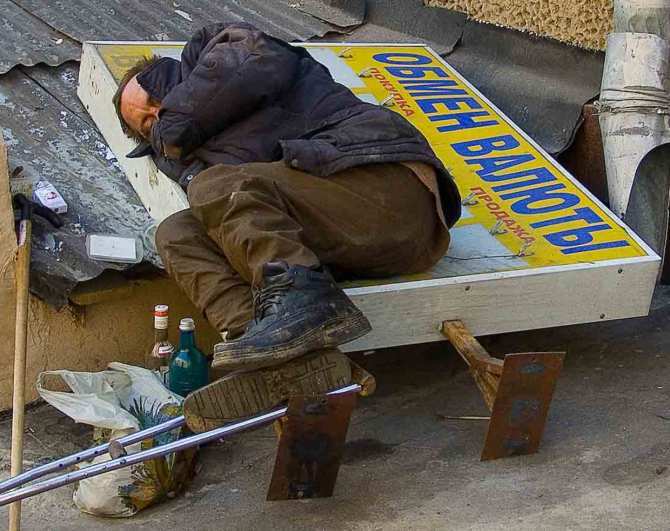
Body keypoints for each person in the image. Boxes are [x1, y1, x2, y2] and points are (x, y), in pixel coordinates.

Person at [113, 22, 461, 426]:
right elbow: (236, 213)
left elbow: (250, 56)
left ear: (175, 76)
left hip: (390, 189)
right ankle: (266, 349)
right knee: (177, 234)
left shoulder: (219, 52)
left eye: (156, 99)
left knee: (214, 186)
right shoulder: (197, 153)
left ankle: (303, 310)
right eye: (147, 124)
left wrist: (168, 130)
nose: (159, 116)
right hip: (344, 236)